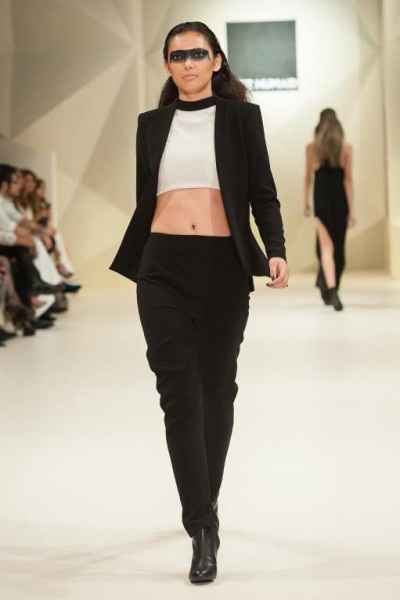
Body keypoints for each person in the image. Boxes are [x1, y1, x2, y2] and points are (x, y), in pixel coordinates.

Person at [110, 21, 289, 583]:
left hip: (222, 268)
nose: (187, 63)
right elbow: (146, 194)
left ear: (216, 60)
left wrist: (276, 249)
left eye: (197, 53)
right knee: (178, 395)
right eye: (176, 55)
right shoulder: (150, 125)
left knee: (216, 391)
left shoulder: (241, 119)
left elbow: (262, 191)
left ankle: (204, 498)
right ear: (167, 65)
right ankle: (203, 529)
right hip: (161, 267)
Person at [303, 108, 355, 310]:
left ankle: (330, 290)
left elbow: (308, 178)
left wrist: (306, 203)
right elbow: (348, 181)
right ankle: (332, 289)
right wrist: (352, 211)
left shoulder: (312, 149)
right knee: (338, 250)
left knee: (326, 248)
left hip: (322, 202)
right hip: (340, 202)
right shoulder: (346, 149)